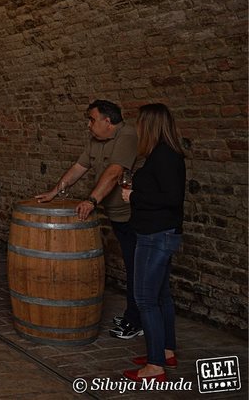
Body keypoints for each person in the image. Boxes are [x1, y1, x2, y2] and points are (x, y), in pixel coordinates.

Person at [36, 99, 141, 339]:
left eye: (92, 119)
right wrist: (55, 191)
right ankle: (134, 314)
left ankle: (137, 320)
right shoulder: (97, 141)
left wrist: (92, 201)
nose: (88, 125)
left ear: (108, 121)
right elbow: (78, 167)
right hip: (117, 215)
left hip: (134, 216)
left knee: (137, 268)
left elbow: (115, 172)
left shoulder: (127, 135)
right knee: (131, 264)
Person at [121, 104, 186, 382]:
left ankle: (155, 365)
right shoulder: (164, 154)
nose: (137, 128)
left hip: (155, 236)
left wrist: (133, 197)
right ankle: (166, 350)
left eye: (140, 123)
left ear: (150, 125)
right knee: (161, 297)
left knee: (145, 299)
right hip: (161, 234)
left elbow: (172, 199)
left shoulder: (164, 156)